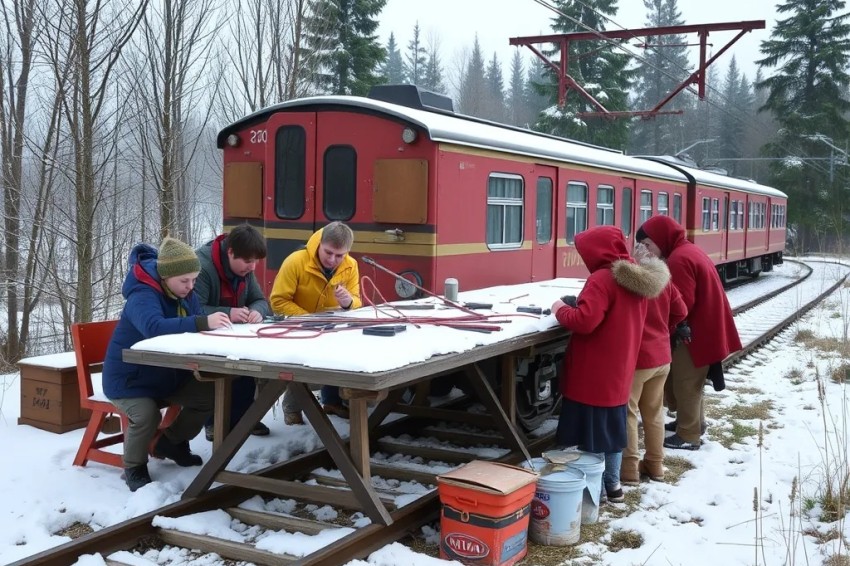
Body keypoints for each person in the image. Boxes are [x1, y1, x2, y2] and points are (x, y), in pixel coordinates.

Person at [102, 237, 231, 492]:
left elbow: (194, 321)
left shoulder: (185, 293)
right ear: (166, 276)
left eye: (194, 280)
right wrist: (203, 323)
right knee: (146, 414)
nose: (190, 286)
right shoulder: (142, 294)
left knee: (210, 394)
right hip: (129, 380)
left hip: (166, 375)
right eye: (184, 280)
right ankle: (134, 467)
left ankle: (172, 442)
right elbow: (154, 328)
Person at [551, 226, 669, 503]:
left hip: (592, 374)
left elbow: (584, 321)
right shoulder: (635, 277)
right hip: (619, 371)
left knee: (585, 435)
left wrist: (560, 308)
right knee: (612, 434)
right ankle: (613, 486)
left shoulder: (602, 279)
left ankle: (583, 489)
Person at [636, 215, 742, 450]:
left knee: (686, 383)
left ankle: (688, 435)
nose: (646, 250)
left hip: (694, 334)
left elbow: (682, 304)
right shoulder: (687, 250)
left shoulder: (678, 259)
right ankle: (693, 422)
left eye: (647, 244)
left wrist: (663, 328)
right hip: (704, 329)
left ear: (661, 239)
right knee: (693, 383)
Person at [269, 221, 362, 424]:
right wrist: (308, 320)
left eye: (339, 255)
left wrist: (348, 302)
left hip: (331, 327)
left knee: (343, 349)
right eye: (328, 252)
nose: (332, 260)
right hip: (296, 327)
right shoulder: (295, 261)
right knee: (301, 358)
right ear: (319, 243)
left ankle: (332, 401)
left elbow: (357, 301)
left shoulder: (351, 265)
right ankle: (292, 407)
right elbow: (277, 301)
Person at [194, 224, 272, 441]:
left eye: (256, 261)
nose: (253, 267)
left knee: (248, 367)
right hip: (202, 340)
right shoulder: (202, 266)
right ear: (230, 252)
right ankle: (214, 422)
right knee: (217, 373)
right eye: (248, 261)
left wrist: (257, 311)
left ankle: (243, 419)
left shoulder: (245, 270)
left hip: (235, 337)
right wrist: (230, 312)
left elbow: (260, 300)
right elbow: (194, 310)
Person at [621, 242, 688, 485]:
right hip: (662, 357)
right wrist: (664, 329)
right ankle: (656, 465)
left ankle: (629, 469)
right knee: (654, 413)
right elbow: (681, 311)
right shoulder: (664, 281)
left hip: (639, 358)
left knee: (629, 413)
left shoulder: (630, 283)